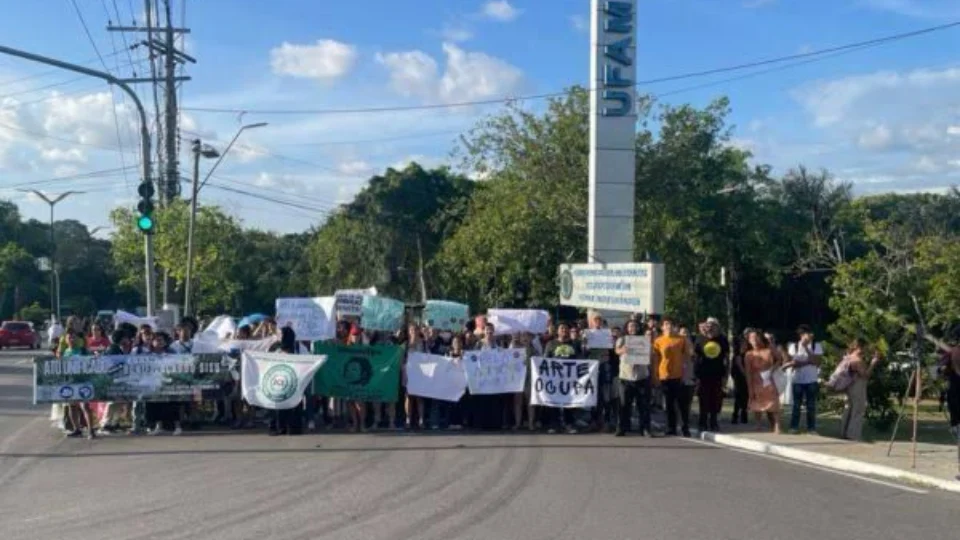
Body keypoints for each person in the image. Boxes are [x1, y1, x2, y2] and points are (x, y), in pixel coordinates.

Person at [653, 317, 693, 437]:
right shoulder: (658, 341)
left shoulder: (681, 340)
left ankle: (685, 427)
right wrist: (655, 375)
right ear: (662, 327)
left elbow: (689, 355)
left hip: (679, 375)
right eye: (666, 324)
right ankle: (671, 427)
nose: (668, 326)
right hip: (664, 375)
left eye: (671, 324)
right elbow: (656, 359)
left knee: (682, 404)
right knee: (669, 404)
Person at [543, 322, 583, 434]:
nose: (564, 330)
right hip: (555, 378)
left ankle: (569, 424)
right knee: (554, 401)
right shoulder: (551, 344)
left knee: (569, 401)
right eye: (562, 328)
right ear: (557, 331)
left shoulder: (575, 344)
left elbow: (581, 359)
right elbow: (545, 359)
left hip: (570, 378)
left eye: (566, 328)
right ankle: (554, 424)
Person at [839, 338, 881, 441]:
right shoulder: (857, 360)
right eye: (865, 347)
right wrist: (873, 363)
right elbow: (865, 375)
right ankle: (853, 434)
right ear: (859, 347)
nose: (866, 350)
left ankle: (844, 432)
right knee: (858, 410)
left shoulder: (847, 357)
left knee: (848, 409)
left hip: (848, 386)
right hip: (857, 386)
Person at [614, 320, 651, 437]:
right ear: (627, 328)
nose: (633, 328)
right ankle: (622, 428)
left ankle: (645, 428)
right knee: (624, 404)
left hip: (641, 376)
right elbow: (616, 351)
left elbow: (650, 354)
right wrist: (622, 350)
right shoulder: (622, 339)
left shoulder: (644, 340)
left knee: (643, 405)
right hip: (626, 376)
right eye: (630, 326)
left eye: (635, 326)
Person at [785, 324, 823, 434]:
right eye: (801, 334)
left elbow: (817, 362)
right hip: (798, 380)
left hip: (811, 380)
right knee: (796, 405)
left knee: (811, 405)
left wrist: (806, 348)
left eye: (805, 333)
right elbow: (793, 363)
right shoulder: (794, 346)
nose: (803, 336)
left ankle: (811, 428)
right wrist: (807, 362)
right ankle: (794, 427)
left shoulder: (816, 345)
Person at [694, 318, 729, 432]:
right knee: (703, 399)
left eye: (713, 325)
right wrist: (696, 375)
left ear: (717, 327)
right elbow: (695, 358)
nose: (710, 327)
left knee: (716, 400)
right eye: (708, 325)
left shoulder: (722, 340)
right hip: (703, 375)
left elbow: (727, 358)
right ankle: (702, 422)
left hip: (718, 374)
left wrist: (726, 375)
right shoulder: (700, 339)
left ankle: (713, 422)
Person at [61, 330, 96, 439]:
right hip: (71, 382)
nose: (71, 339)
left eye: (73, 337)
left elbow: (91, 361)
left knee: (85, 406)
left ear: (77, 339)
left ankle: (91, 430)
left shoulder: (83, 350)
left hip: (82, 381)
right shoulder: (66, 352)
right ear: (66, 340)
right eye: (69, 337)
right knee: (72, 407)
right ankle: (76, 429)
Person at [745, 330, 781, 434]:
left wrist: (772, 369)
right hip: (756, 380)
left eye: (756, 337)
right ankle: (758, 424)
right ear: (749, 341)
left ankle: (777, 425)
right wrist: (749, 387)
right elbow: (748, 372)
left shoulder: (768, 350)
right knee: (756, 402)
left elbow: (779, 359)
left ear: (760, 338)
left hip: (769, 379)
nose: (754, 340)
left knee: (774, 402)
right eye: (751, 339)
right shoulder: (749, 354)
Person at [269, 327, 304, 436]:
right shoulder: (275, 347)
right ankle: (280, 427)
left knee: (294, 404)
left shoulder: (299, 348)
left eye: (280, 334)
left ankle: (294, 428)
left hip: (295, 380)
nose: (278, 336)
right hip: (279, 380)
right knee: (279, 404)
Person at [404, 324, 427, 430]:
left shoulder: (424, 343)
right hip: (408, 372)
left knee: (419, 397)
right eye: (411, 330)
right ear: (409, 331)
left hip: (421, 373)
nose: (413, 331)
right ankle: (408, 419)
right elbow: (402, 359)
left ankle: (421, 419)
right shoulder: (406, 344)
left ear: (419, 331)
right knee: (408, 397)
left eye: (415, 329)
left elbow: (428, 356)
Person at [730, 334, 751, 424]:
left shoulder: (748, 354)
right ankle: (735, 415)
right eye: (743, 344)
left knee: (746, 396)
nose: (744, 346)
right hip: (739, 377)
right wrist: (745, 374)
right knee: (738, 396)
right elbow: (738, 366)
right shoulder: (737, 355)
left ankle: (744, 413)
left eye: (746, 344)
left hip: (747, 377)